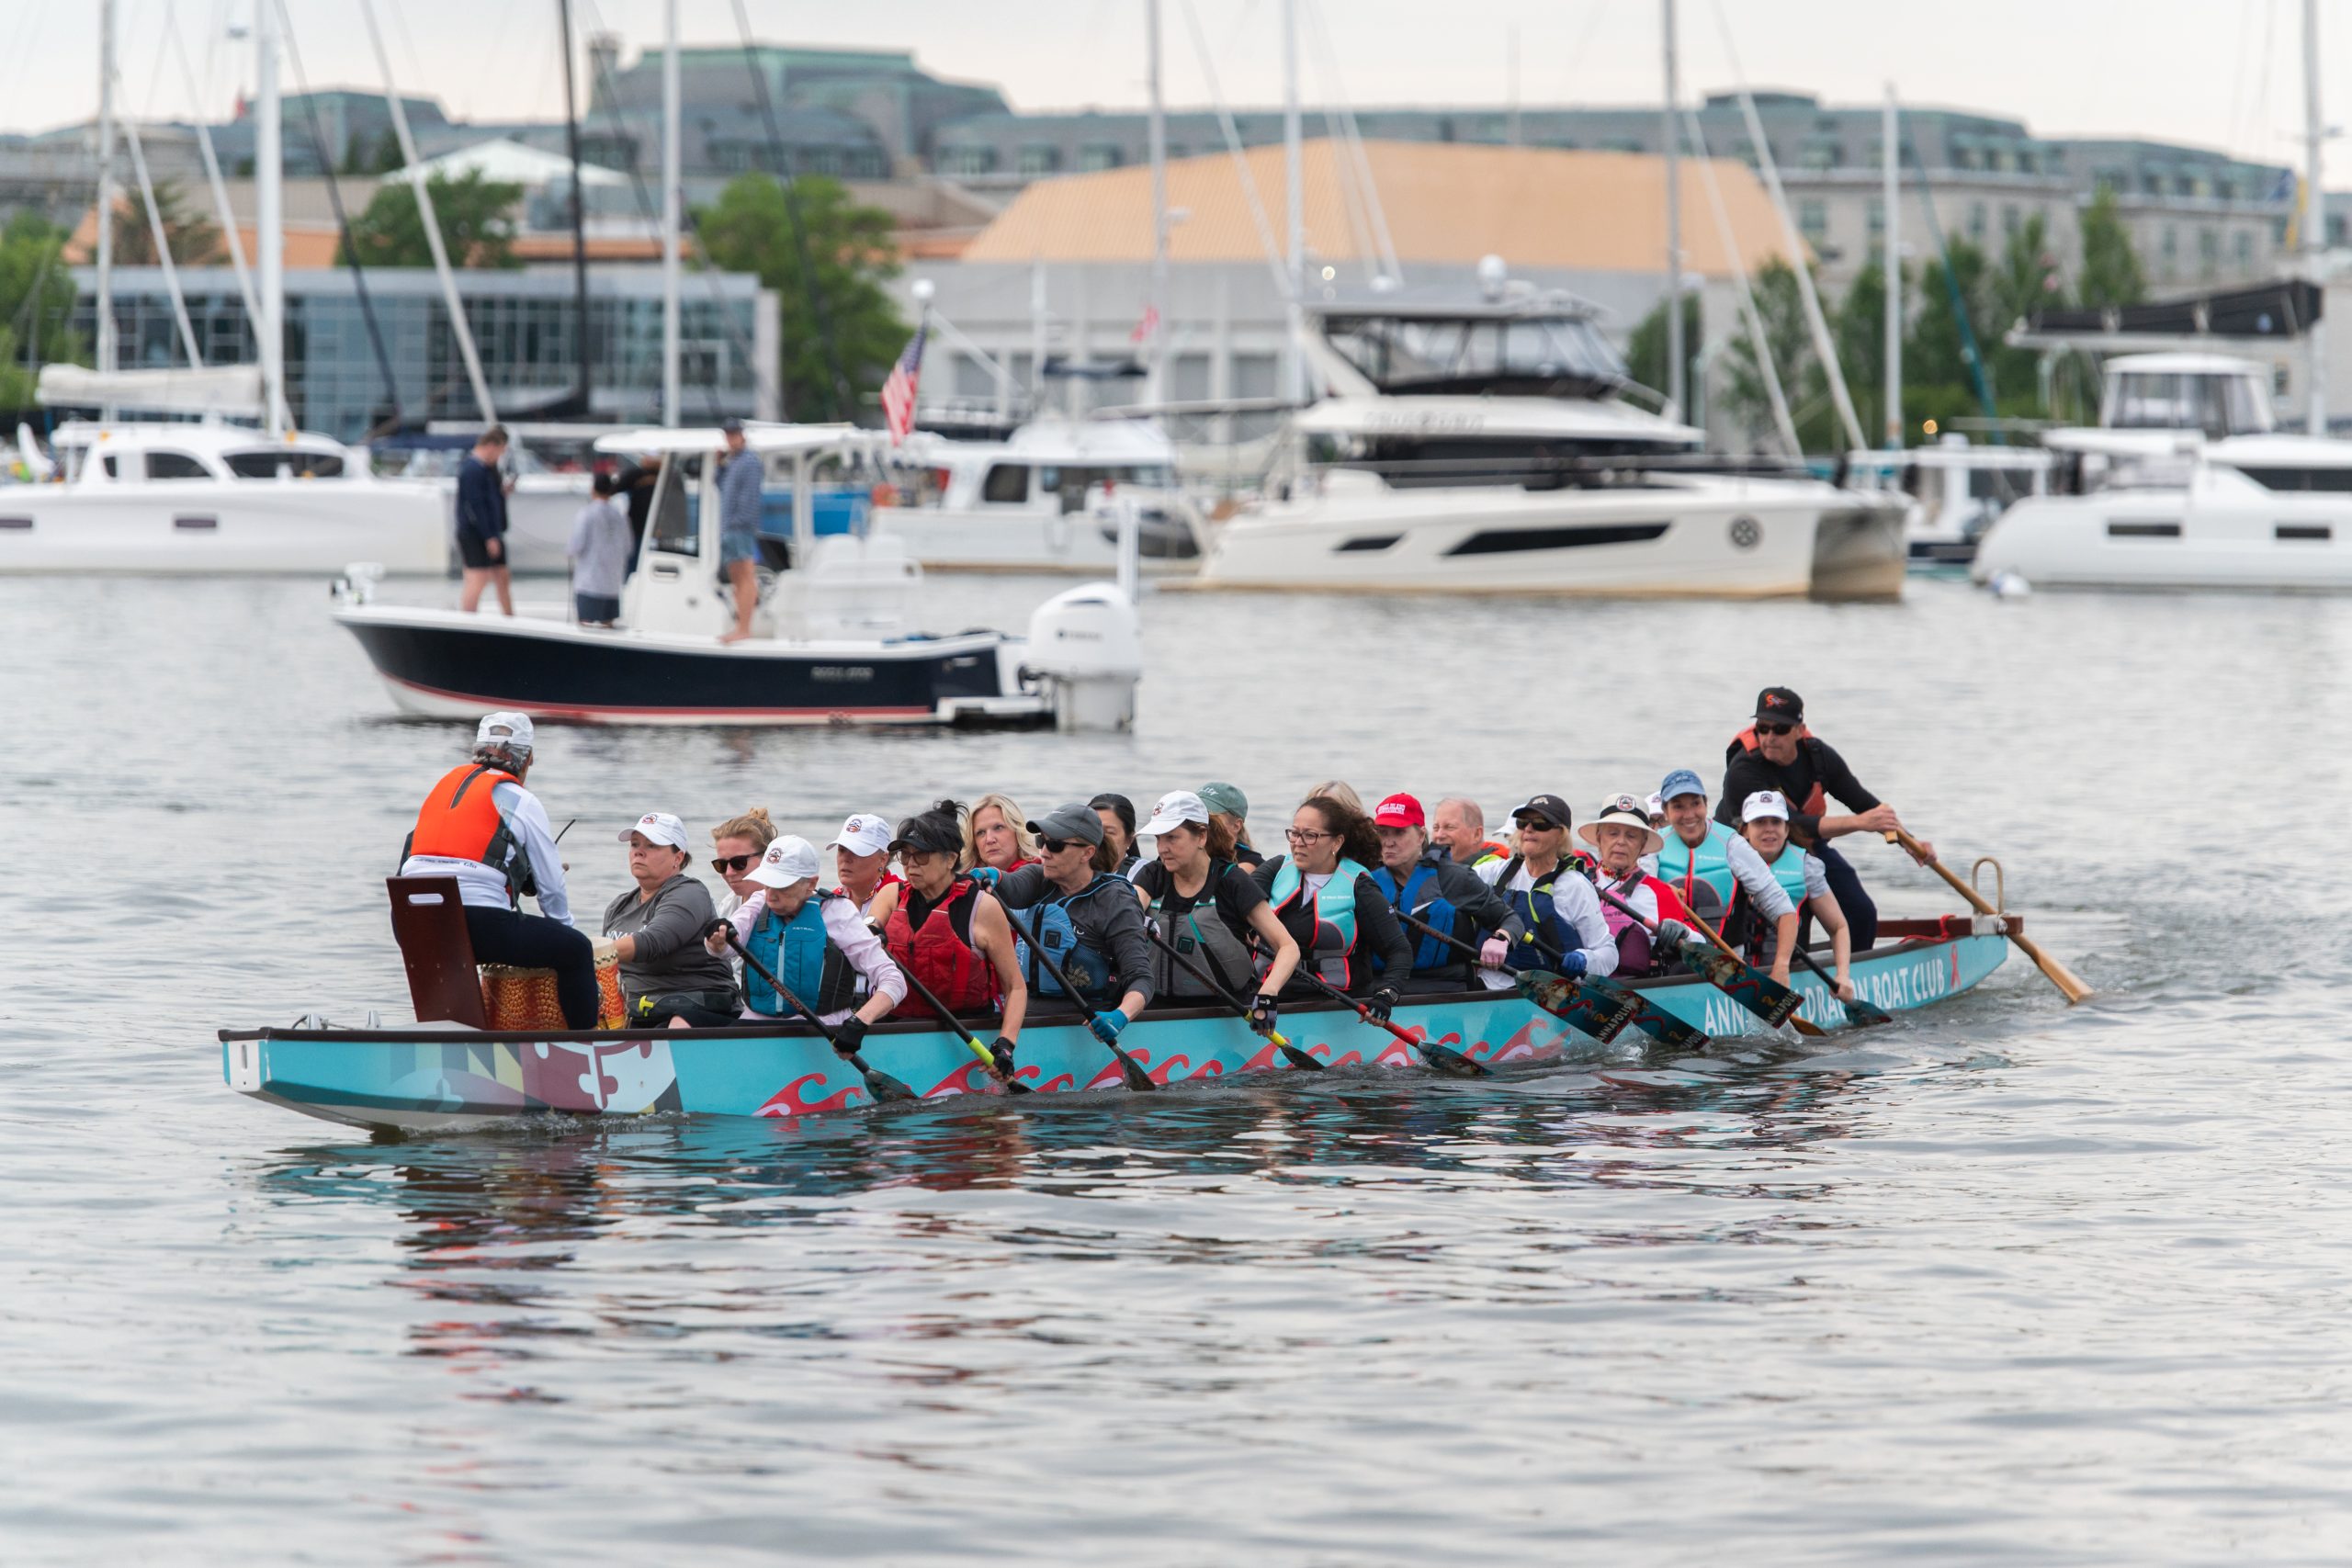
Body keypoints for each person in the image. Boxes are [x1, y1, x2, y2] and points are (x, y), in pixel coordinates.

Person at [399, 711, 595, 1028]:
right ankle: (587, 1049)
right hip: (478, 924)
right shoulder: (522, 799)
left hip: (412, 922)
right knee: (576, 951)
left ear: (477, 750)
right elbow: (552, 887)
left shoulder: (443, 788)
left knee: (456, 950)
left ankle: (452, 1034)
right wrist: (565, 928)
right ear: (527, 759)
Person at [1717, 686, 1935, 953]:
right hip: (1743, 851)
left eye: (1781, 730)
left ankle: (1851, 976)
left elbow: (1865, 805)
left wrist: (1910, 842)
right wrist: (1859, 823)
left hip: (1799, 846)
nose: (1770, 738)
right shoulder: (1744, 769)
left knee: (1862, 912)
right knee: (1787, 914)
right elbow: (1794, 822)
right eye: (1763, 728)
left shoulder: (1818, 756)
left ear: (1799, 730)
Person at [989, 803, 1159, 1047]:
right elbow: (1012, 886)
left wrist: (1120, 1016)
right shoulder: (1042, 879)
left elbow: (1141, 978)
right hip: (1025, 1017)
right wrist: (991, 876)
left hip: (1085, 1025)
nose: (1045, 852)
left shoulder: (1114, 900)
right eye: (1042, 842)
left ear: (1087, 853)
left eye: (1056, 845)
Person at [708, 837, 906, 1043]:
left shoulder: (836, 912)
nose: (771, 896)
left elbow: (893, 981)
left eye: (782, 887)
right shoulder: (758, 902)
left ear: (811, 883)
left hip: (819, 1029)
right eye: (768, 885)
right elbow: (723, 948)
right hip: (757, 1024)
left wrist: (860, 1021)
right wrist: (717, 939)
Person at [1130, 790, 1300, 1026]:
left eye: (1171, 837)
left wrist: (1268, 993)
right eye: (1158, 838)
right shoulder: (1153, 874)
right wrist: (1133, 919)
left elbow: (1288, 947)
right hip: (1157, 1010)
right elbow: (1132, 906)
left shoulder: (1232, 881)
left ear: (1201, 836)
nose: (1162, 848)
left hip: (1225, 1010)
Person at [881, 801, 1029, 1071]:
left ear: (950, 859)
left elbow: (1016, 987)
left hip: (965, 1029)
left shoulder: (982, 907)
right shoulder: (891, 897)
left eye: (921, 856)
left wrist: (1005, 1044)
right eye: (905, 856)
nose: (911, 865)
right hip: (898, 1029)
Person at [1254, 794, 1412, 1006]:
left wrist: (1387, 993)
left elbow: (1398, 950)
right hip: (1268, 995)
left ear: (1336, 842)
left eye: (1310, 836)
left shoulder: (1360, 886)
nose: (1298, 843)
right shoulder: (1275, 869)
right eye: (1294, 833)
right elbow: (1232, 904)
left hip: (1336, 1002)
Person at [1651, 767, 1799, 972]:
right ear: (1666, 812)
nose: (1689, 815)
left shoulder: (1731, 844)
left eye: (1696, 803)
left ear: (1706, 804)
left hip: (1725, 966)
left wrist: (1781, 967)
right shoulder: (1654, 846)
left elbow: (1785, 911)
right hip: (1668, 964)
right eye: (1678, 807)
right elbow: (1641, 900)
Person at [602, 811, 740, 1026]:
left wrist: (585, 952)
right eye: (635, 844)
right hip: (641, 1014)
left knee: (677, 1023)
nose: (639, 852)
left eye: (652, 846)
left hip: (698, 1011)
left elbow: (653, 943)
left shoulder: (690, 894)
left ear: (678, 857)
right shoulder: (618, 907)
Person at [1365, 793, 1509, 990]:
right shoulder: (1366, 880)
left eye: (1399, 833)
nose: (1389, 842)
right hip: (1380, 988)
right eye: (1382, 832)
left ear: (1421, 836)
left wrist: (1501, 937)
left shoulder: (1454, 878)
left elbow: (1509, 919)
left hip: (1445, 987)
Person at [1474, 793, 1615, 984]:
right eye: (1523, 823)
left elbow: (1608, 954)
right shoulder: (1494, 873)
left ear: (1560, 835)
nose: (1529, 829)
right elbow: (1452, 882)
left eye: (1541, 823)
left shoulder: (1575, 886)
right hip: (1483, 987)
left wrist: (1584, 958)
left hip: (1546, 994)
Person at [1736, 790, 1856, 998]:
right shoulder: (1728, 864)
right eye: (1760, 822)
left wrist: (1842, 974)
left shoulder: (1806, 868)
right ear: (1745, 830)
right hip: (1738, 973)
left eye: (1776, 822)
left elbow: (1838, 927)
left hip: (1788, 974)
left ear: (1786, 829)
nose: (1769, 830)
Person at [1576, 793, 1681, 976]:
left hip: (1640, 994)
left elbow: (1696, 944)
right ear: (1599, 838)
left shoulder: (1661, 893)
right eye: (1613, 833)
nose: (1621, 842)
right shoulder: (1576, 885)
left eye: (1631, 836)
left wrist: (1684, 933)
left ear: (1643, 844)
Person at [455, 424, 514, 615]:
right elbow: (475, 506)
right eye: (500, 451)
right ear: (491, 446)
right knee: (478, 578)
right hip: (475, 533)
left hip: (492, 531)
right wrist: (489, 536)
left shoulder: (488, 470)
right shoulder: (472, 469)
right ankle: (467, 620)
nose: (499, 457)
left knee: (502, 576)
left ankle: (509, 618)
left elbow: (488, 500)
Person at [716, 418, 763, 643]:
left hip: (739, 527)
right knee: (736, 577)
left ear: (742, 435)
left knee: (745, 575)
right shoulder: (732, 462)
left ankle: (744, 628)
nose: (731, 438)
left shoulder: (750, 462)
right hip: (729, 527)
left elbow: (749, 499)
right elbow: (722, 487)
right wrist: (719, 466)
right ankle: (740, 626)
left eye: (734, 434)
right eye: (728, 434)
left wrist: (739, 522)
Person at [567, 471, 631, 626]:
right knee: (608, 624)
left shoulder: (587, 513)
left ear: (593, 489)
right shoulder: (620, 515)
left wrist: (569, 552)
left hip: (589, 582)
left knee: (585, 623)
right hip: (612, 583)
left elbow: (576, 545)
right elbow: (628, 546)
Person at [830, 811, 905, 926]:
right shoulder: (831, 900)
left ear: (883, 859)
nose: (846, 859)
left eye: (857, 852)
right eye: (842, 850)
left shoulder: (905, 898)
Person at [708, 807, 779, 919]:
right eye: (721, 864)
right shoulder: (727, 906)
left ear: (766, 857)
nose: (729, 872)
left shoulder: (790, 906)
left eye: (739, 862)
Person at [962, 792, 1040, 882]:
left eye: (998, 828)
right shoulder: (964, 883)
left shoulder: (1043, 874)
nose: (989, 839)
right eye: (981, 833)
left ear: (1017, 831)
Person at [1430, 797, 1511, 867]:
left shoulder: (1492, 871)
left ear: (1477, 834)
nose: (1439, 835)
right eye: (1436, 828)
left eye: (1450, 827)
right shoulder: (1427, 867)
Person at [1198, 782, 1261, 872]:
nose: (1199, 821)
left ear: (1236, 825)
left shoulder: (1248, 864)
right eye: (1196, 813)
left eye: (1209, 817)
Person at [1091, 792, 1141, 877]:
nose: (1099, 838)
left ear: (1129, 839)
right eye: (1093, 829)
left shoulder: (1141, 875)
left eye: (1110, 832)